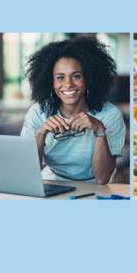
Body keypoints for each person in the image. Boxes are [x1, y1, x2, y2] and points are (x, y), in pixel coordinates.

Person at [20, 36, 126, 184]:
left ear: (88, 78)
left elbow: (102, 178)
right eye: (60, 77)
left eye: (76, 76)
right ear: (50, 82)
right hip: (52, 182)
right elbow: (27, 172)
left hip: (94, 186)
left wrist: (99, 130)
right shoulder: (38, 112)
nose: (68, 84)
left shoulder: (110, 114)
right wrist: (41, 133)